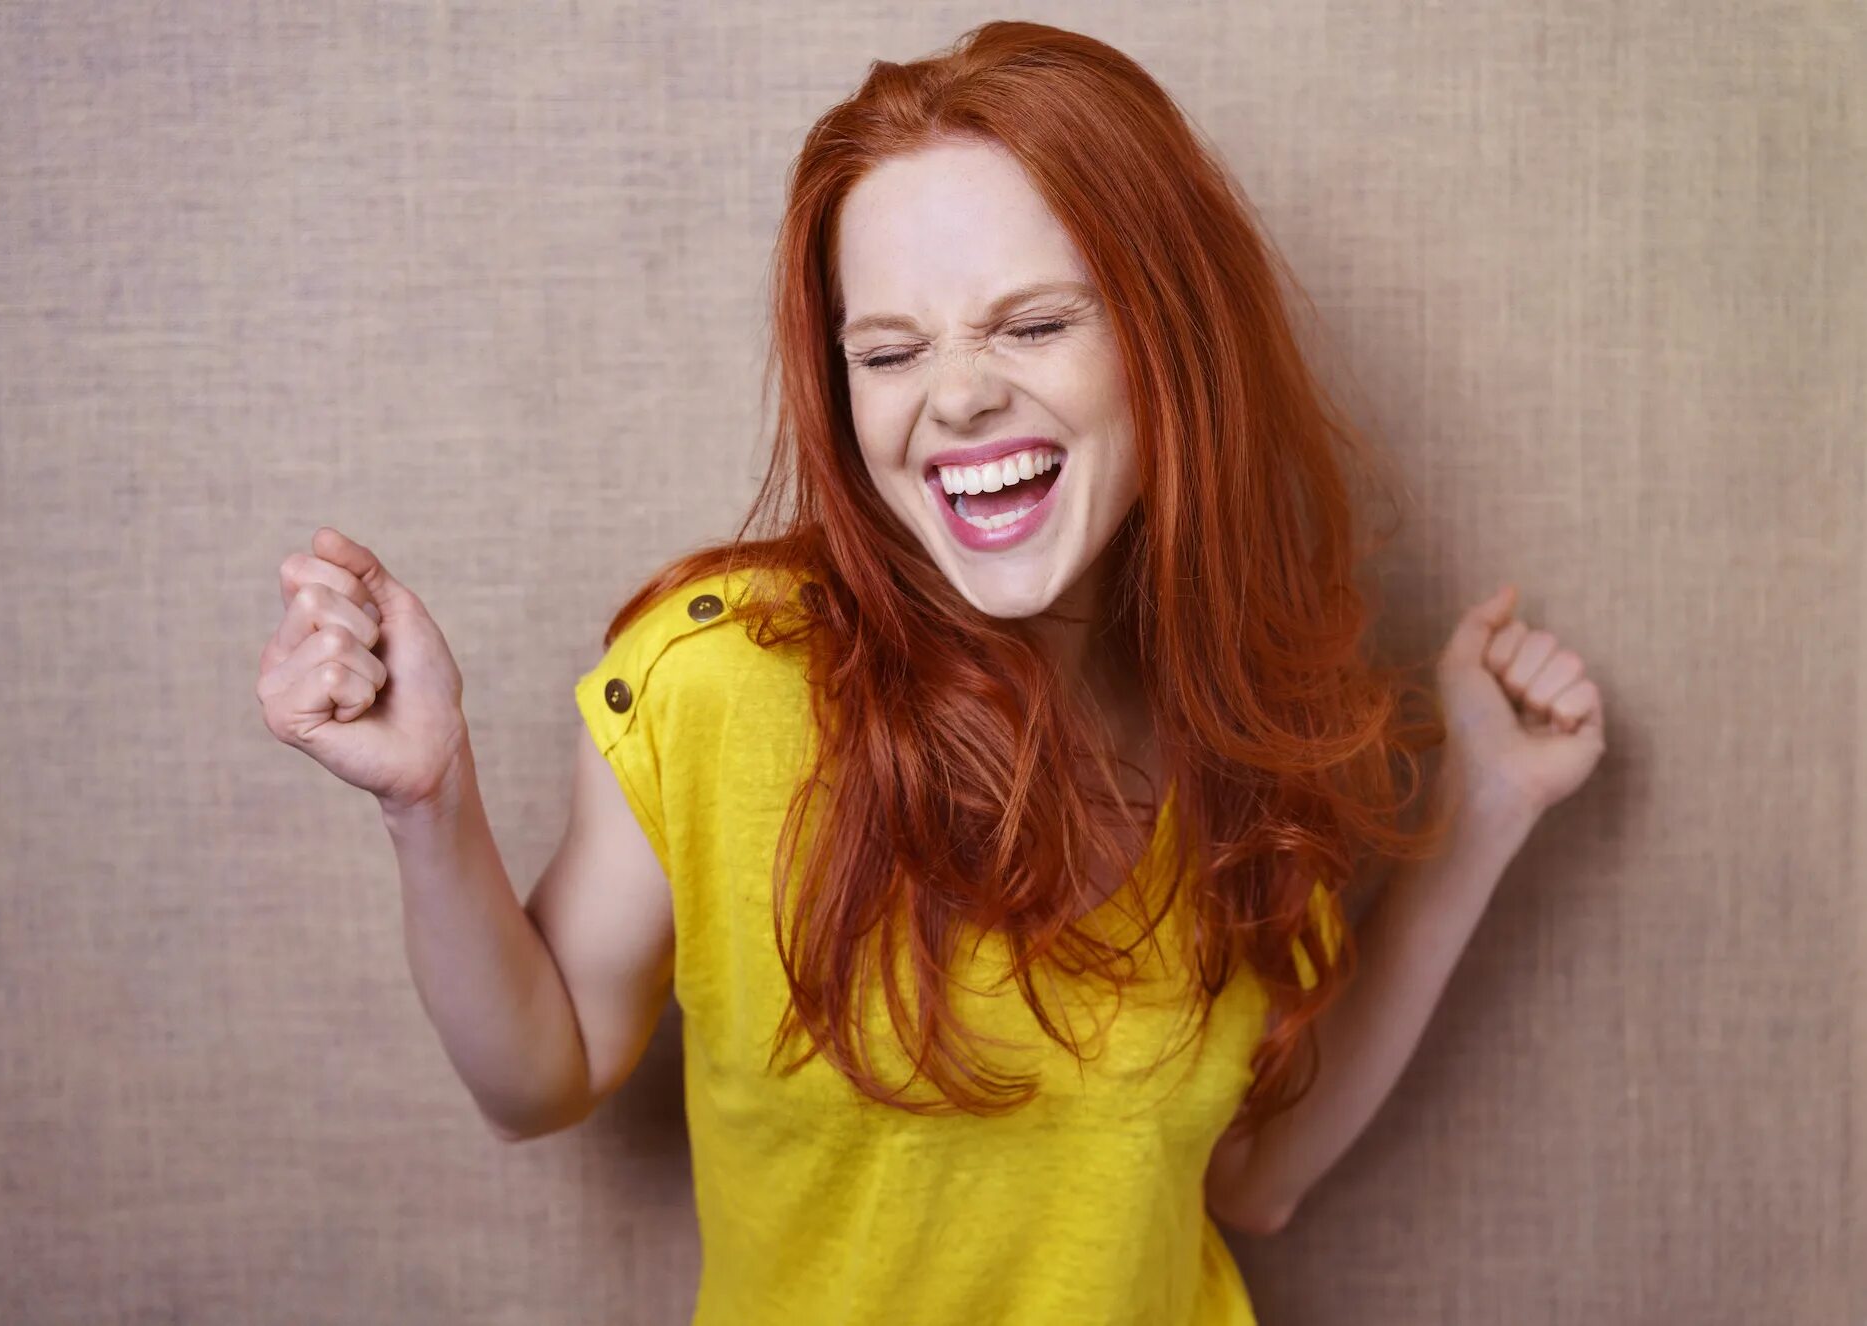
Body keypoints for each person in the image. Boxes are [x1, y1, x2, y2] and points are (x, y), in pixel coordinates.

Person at [255, 20, 1607, 1325]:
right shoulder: (717, 679)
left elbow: (1257, 1177)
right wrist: (424, 802)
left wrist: (1479, 813)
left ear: (1170, 341)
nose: (953, 398)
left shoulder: (1249, 714)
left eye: (1031, 325)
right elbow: (537, 1077)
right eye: (889, 351)